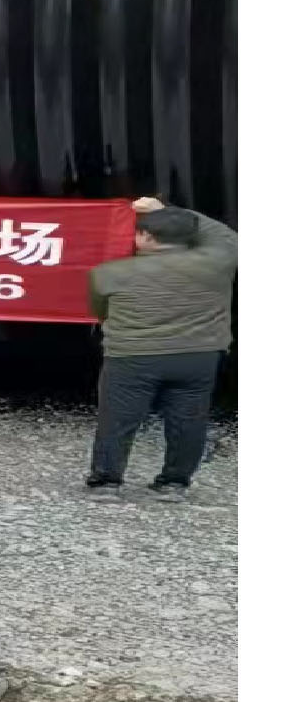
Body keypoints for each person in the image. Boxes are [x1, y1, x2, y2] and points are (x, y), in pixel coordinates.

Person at [83, 197, 236, 494]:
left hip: (131, 356)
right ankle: (174, 483)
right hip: (199, 356)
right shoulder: (219, 262)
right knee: (188, 420)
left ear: (145, 237)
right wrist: (163, 210)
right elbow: (225, 235)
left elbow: (100, 312)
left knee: (118, 420)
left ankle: (106, 481)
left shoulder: (108, 273)